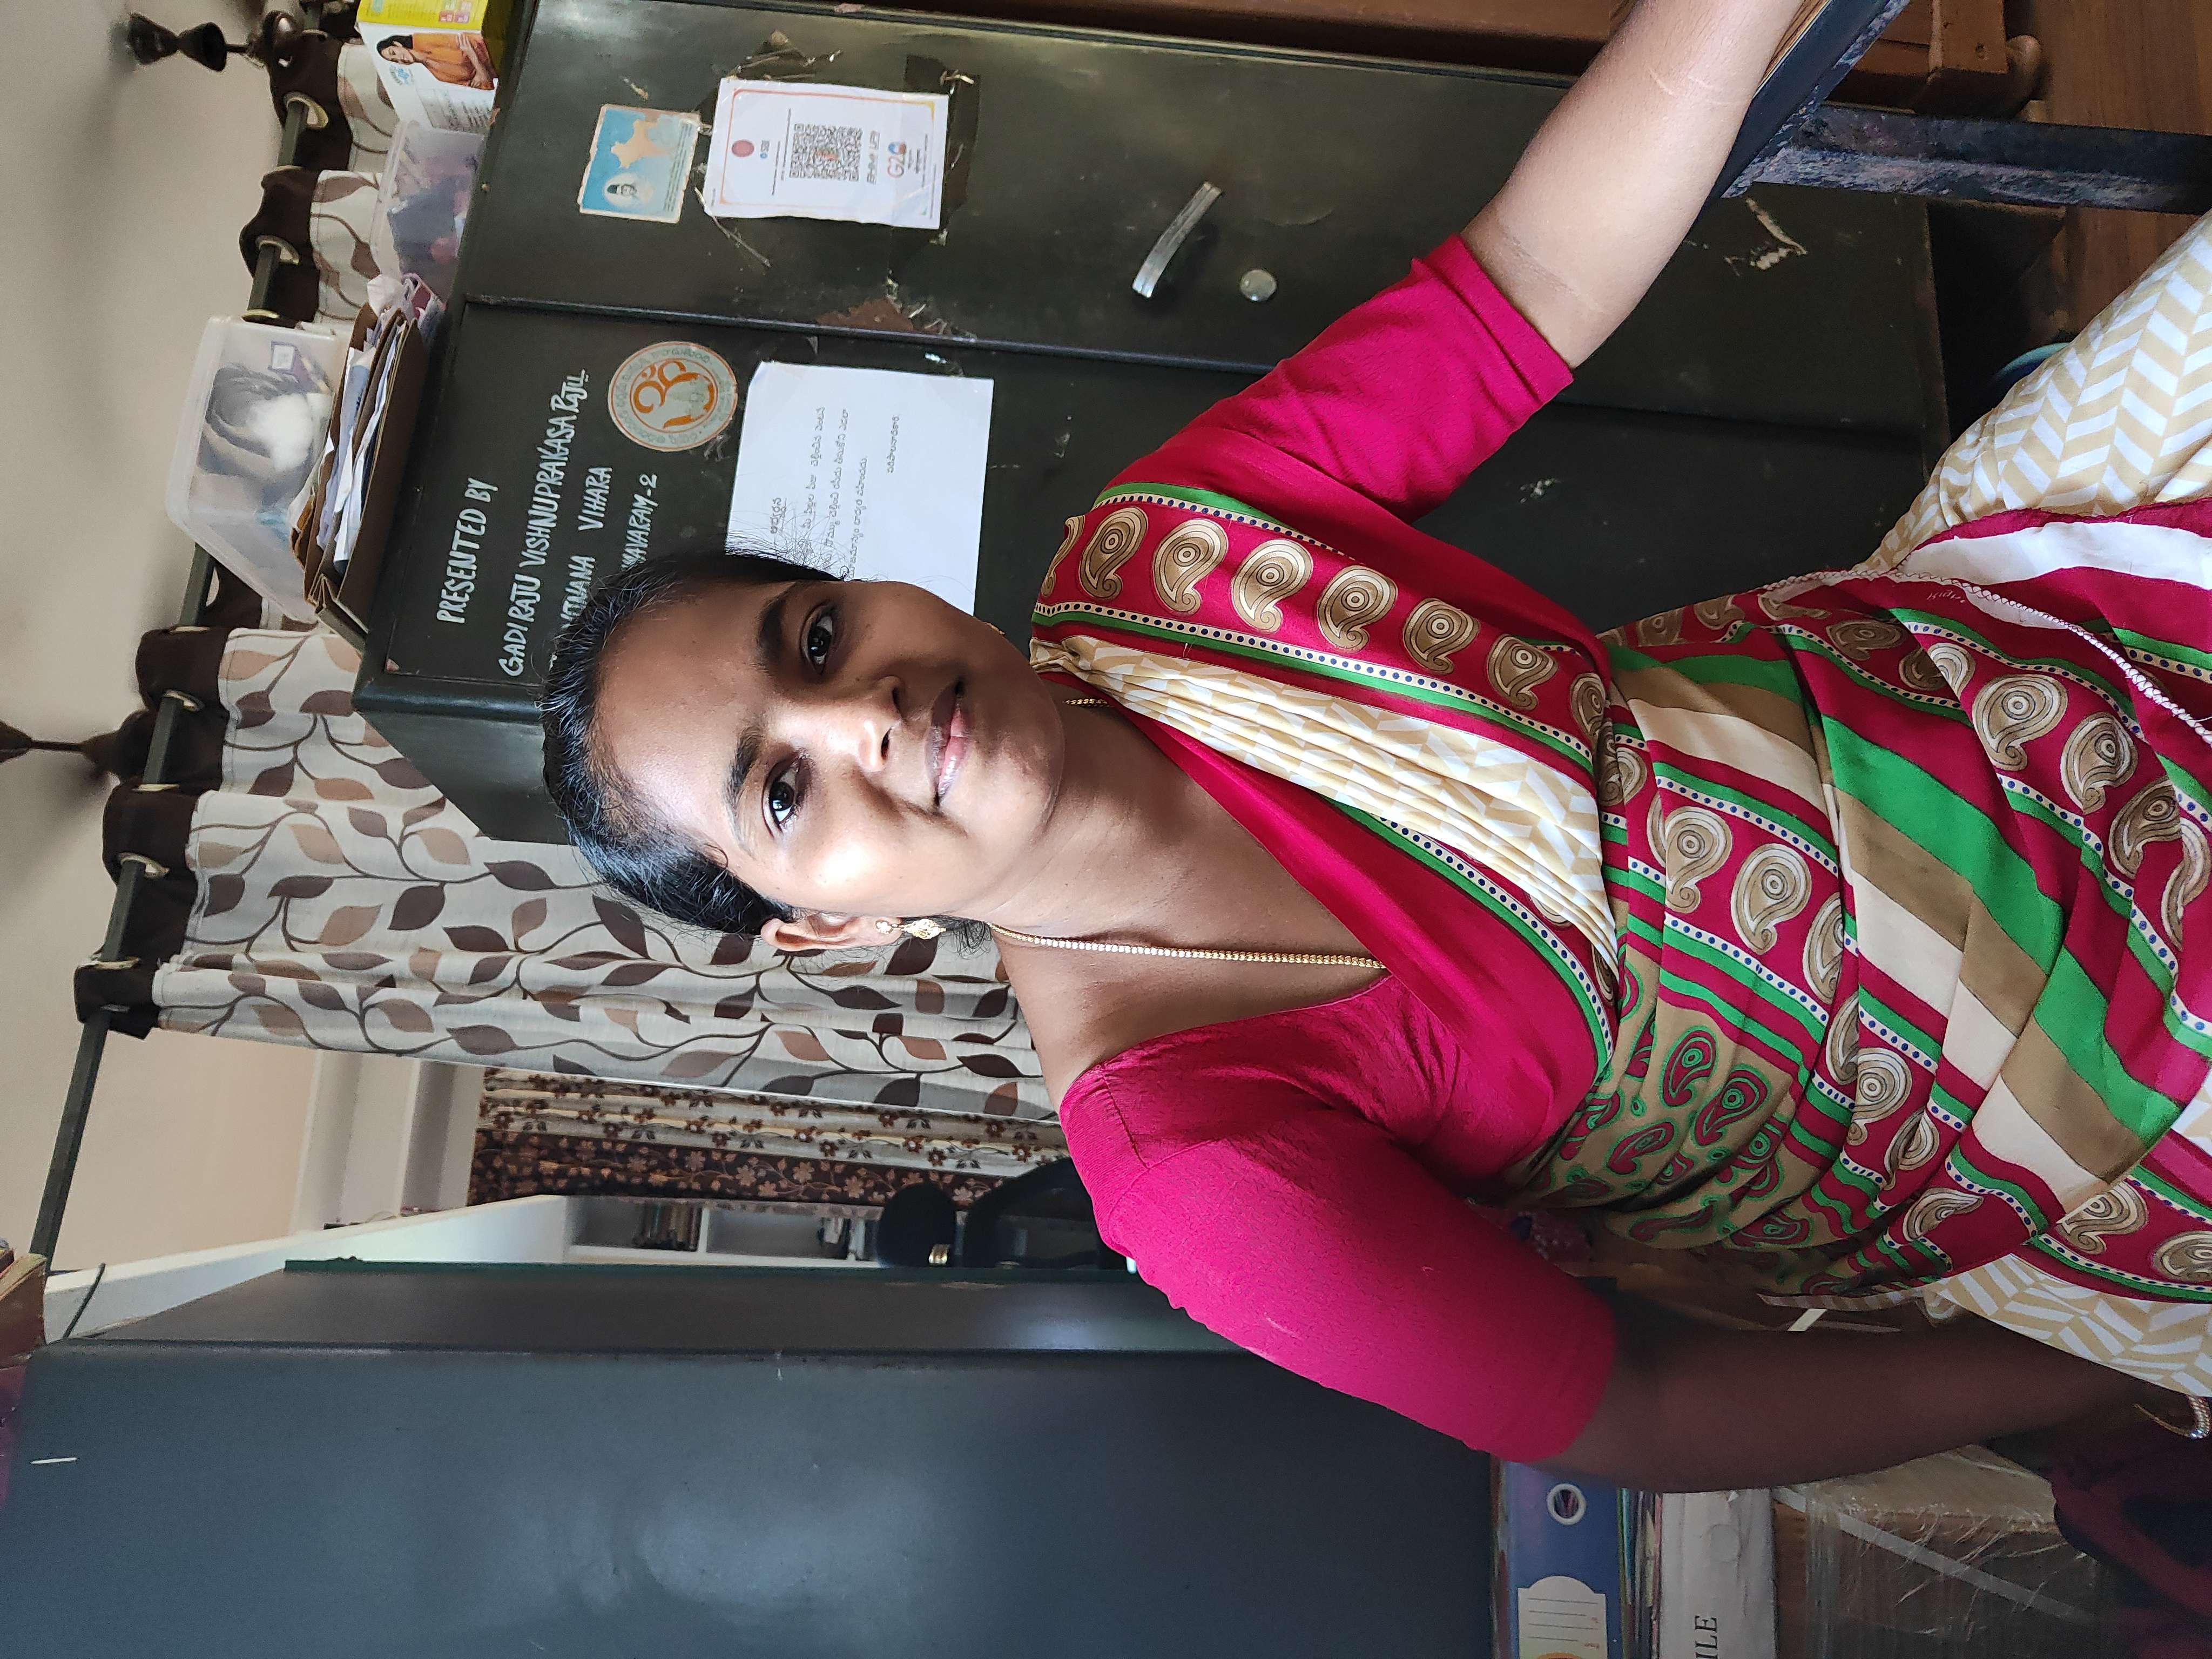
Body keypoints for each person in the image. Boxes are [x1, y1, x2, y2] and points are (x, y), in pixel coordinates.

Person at [542, 0, 2212, 1488]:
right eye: (782, 787)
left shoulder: (1170, 556)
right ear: (827, 925)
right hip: (2100, 1122)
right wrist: (2088, 1368)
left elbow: (1529, 279)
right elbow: (1635, 1406)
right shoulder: (1200, 1164)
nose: (863, 714)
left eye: (814, 638)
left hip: (2055, 645)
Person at [377, 31, 493, 91]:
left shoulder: (424, 39)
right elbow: (486, 84)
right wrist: (475, 60)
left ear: (397, 44)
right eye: (395, 61)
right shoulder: (438, 76)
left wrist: (480, 71)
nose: (399, 59)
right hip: (500, 72)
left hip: (495, 45)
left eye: (394, 53)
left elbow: (472, 41)